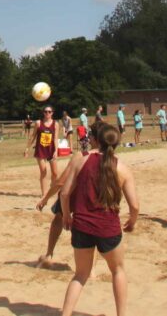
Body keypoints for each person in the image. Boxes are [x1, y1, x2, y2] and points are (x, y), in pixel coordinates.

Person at [58, 123, 139, 316]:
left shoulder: (81, 160)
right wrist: (133, 221)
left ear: (96, 140)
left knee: (80, 275)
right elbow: (134, 206)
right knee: (118, 270)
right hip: (107, 228)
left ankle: (65, 314)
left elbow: (64, 193)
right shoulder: (122, 168)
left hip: (82, 226)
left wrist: (67, 215)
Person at [36, 125, 98, 266]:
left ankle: (49, 254)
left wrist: (45, 198)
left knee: (59, 218)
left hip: (74, 194)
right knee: (92, 229)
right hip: (93, 196)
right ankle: (92, 269)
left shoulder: (81, 156)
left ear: (93, 139)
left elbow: (60, 183)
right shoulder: (111, 158)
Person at [25, 106, 60, 196]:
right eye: (45, 111)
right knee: (43, 171)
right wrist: (27, 148)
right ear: (43, 112)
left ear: (52, 113)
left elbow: (56, 138)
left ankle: (52, 188)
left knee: (55, 173)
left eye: (49, 111)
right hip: (40, 150)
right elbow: (33, 136)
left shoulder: (56, 124)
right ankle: (44, 194)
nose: (47, 113)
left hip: (51, 149)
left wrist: (56, 150)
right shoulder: (38, 123)